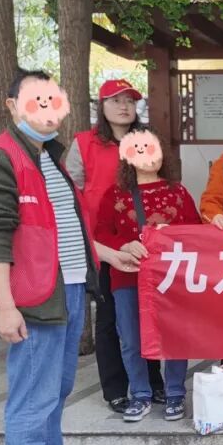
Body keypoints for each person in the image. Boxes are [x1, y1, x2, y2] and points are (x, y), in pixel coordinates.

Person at [0, 69, 139, 445]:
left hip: (69, 287)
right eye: (36, 100)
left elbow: (66, 230)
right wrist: (5, 307)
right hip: (34, 295)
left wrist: (110, 255)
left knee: (56, 389)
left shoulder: (52, 158)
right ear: (12, 106)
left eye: (54, 101)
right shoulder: (1, 158)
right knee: (32, 395)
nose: (47, 110)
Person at [66, 79, 164, 414]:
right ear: (101, 106)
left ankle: (153, 383)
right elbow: (70, 193)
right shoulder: (85, 144)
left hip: (145, 244)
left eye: (130, 101)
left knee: (148, 315)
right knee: (109, 319)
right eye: (115, 100)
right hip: (104, 243)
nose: (124, 106)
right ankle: (116, 389)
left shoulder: (145, 139)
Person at [95, 130, 200, 423]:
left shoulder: (178, 192)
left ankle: (175, 392)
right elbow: (101, 232)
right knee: (130, 338)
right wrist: (123, 246)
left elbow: (196, 229)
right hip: (127, 276)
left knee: (175, 336)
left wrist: (174, 234)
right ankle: (140, 394)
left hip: (172, 278)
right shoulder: (114, 194)